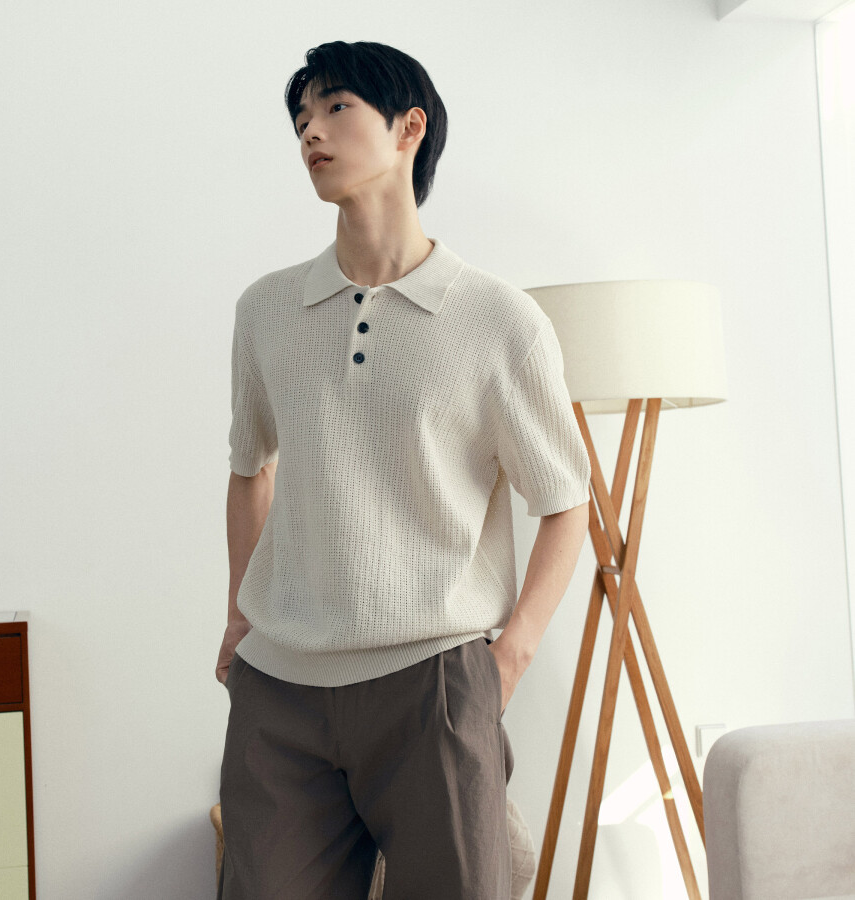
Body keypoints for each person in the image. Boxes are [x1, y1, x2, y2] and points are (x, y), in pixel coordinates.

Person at [216, 40, 591, 900]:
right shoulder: (267, 310)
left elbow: (565, 501)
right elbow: (249, 468)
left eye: (335, 107)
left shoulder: (498, 320)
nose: (311, 131)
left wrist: (509, 658)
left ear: (408, 128)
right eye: (300, 118)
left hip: (435, 683)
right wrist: (237, 616)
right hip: (281, 689)